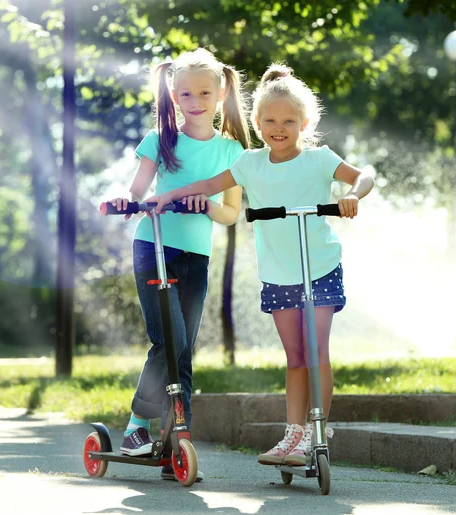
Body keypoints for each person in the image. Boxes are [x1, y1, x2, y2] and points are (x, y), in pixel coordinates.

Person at [147, 63, 374, 467]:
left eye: (288, 120)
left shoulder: (320, 159)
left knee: (317, 350)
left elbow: (365, 176)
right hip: (278, 273)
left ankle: (317, 431)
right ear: (257, 122)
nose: (278, 127)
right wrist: (167, 196)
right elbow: (208, 185)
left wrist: (352, 195)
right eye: (269, 120)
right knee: (296, 358)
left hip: (318, 266)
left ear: (305, 123)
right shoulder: (250, 163)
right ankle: (293, 435)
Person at [108, 48, 251, 480]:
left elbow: (230, 214)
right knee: (167, 340)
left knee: (183, 347)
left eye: (204, 92)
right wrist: (123, 200)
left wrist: (205, 204)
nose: (195, 101)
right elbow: (137, 191)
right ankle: (137, 428)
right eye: (185, 94)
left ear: (221, 92)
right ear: (173, 95)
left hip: (197, 256)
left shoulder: (232, 151)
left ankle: (175, 441)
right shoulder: (160, 140)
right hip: (154, 246)